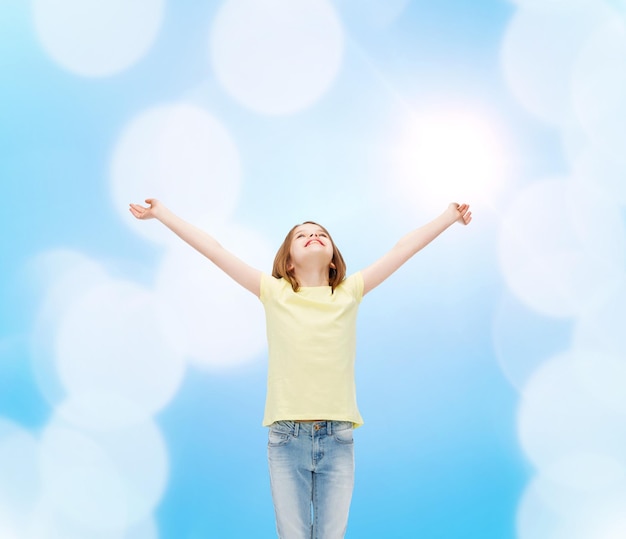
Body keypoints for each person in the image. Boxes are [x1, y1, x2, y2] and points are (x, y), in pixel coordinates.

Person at [129, 198, 472, 539]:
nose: (313, 235)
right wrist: (162, 214)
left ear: (334, 259)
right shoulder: (274, 292)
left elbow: (402, 249)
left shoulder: (349, 292)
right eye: (302, 235)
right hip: (286, 437)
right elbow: (216, 250)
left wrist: (448, 216)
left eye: (321, 233)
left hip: (338, 438)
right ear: (289, 262)